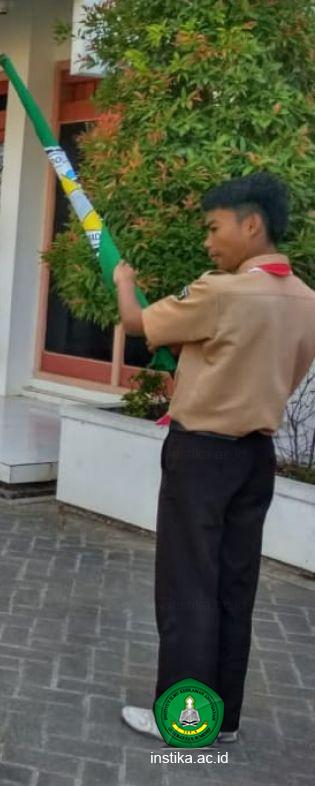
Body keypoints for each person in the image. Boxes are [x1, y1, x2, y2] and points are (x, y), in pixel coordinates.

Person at [115, 173, 315, 744]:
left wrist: (125, 281)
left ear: (251, 225)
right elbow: (279, 370)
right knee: (233, 587)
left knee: (187, 587)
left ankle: (184, 723)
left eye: (214, 228)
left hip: (201, 456)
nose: (208, 242)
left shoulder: (222, 292)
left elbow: (138, 323)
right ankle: (221, 720)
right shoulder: (307, 302)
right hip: (255, 458)